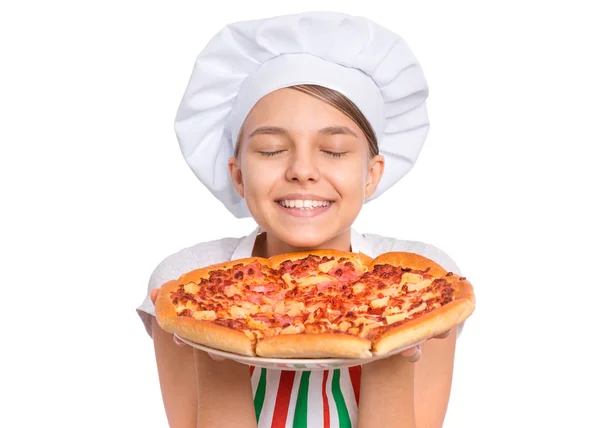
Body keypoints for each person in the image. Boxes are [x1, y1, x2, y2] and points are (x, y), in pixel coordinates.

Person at [137, 11, 465, 428]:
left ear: (371, 174)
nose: (302, 170)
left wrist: (393, 332)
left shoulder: (419, 288)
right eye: (272, 149)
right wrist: (218, 339)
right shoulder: (188, 284)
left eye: (334, 150)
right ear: (237, 174)